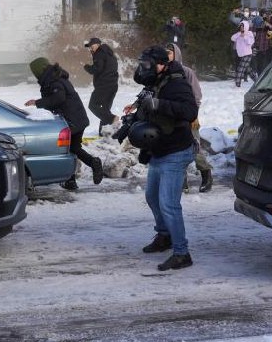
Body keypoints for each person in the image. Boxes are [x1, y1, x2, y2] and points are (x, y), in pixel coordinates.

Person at [129, 45, 198, 271]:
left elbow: (190, 111)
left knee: (169, 204)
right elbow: (144, 96)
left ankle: (182, 253)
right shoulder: (156, 81)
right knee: (152, 197)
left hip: (176, 151)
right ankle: (165, 235)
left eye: (147, 64)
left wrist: (160, 105)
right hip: (159, 149)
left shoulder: (177, 83)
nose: (144, 68)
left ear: (161, 65)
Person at [25, 57, 103, 191]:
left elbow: (59, 98)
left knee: (68, 148)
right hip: (76, 118)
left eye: (35, 72)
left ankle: (88, 167)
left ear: (39, 70)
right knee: (72, 148)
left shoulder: (53, 80)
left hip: (72, 120)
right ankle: (72, 179)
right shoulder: (55, 77)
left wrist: (37, 103)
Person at [166, 43, 213, 193]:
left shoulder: (187, 72)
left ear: (176, 54)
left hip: (188, 116)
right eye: (165, 52)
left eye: (170, 52)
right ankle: (182, 180)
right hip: (172, 117)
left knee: (194, 147)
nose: (167, 55)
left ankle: (206, 174)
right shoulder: (164, 72)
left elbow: (197, 95)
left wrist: (194, 115)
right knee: (175, 149)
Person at [82, 37, 119, 135]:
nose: (90, 48)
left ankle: (112, 118)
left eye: (92, 46)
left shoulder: (99, 53)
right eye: (89, 47)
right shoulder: (110, 54)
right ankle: (103, 133)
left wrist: (87, 67)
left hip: (104, 86)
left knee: (93, 105)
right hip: (113, 85)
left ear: (98, 44)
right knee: (105, 110)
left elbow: (97, 69)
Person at [230, 20, 257, 87]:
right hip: (241, 55)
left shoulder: (249, 33)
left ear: (246, 27)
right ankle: (257, 81)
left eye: (243, 26)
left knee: (240, 69)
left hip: (247, 54)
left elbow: (250, 42)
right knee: (248, 70)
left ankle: (237, 85)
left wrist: (244, 36)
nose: (241, 28)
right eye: (241, 26)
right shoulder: (238, 34)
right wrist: (239, 34)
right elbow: (232, 38)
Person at [252, 9, 272, 74]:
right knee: (258, 65)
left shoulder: (268, 24)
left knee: (263, 65)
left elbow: (269, 35)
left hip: (265, 48)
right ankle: (258, 75)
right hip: (257, 47)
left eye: (266, 14)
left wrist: (269, 27)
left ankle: (262, 75)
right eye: (264, 14)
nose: (266, 16)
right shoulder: (256, 22)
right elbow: (253, 34)